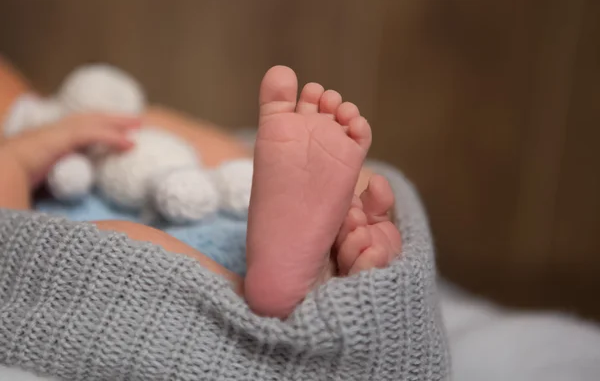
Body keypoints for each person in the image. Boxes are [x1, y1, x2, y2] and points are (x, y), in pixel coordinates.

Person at [0, 60, 402, 318]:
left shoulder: (58, 113)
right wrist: (19, 156)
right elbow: (11, 238)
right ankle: (271, 289)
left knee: (152, 139)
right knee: (107, 244)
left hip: (195, 200)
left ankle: (311, 233)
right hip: (72, 214)